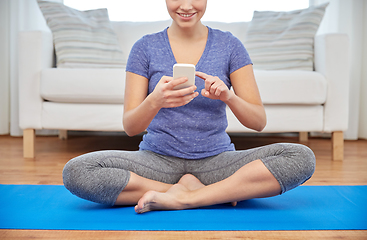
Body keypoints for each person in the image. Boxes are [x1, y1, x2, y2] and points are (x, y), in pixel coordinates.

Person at [63, 0, 315, 214]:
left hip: (217, 161)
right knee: (77, 171)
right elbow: (130, 127)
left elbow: (258, 122)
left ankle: (184, 198)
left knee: (301, 158)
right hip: (156, 161)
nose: (185, 6)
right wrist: (154, 101)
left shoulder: (229, 45)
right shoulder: (145, 47)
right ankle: (210, 194)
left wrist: (229, 97)